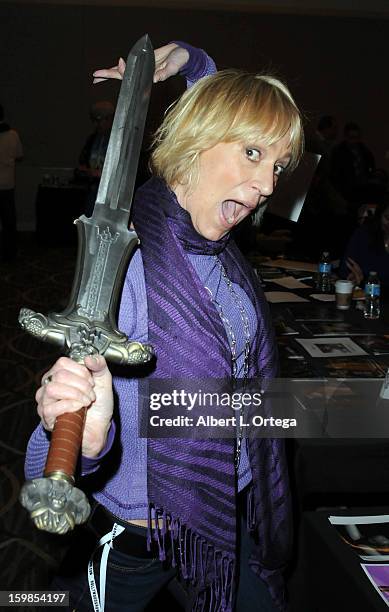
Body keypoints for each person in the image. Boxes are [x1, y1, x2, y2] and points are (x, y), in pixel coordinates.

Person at [24, 41, 304, 611]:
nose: (270, 184)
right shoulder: (132, 266)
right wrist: (88, 443)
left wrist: (193, 63)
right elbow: (50, 451)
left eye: (277, 165)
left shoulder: (219, 253)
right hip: (139, 527)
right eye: (253, 154)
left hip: (221, 511)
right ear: (196, 143)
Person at [76, 100, 115, 216]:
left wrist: (100, 173)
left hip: (109, 193)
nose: (96, 125)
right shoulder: (92, 139)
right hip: (91, 189)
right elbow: (82, 162)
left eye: (99, 120)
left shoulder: (116, 141)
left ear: (109, 119)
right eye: (94, 121)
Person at [340, 200, 389, 288]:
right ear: (380, 215)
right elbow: (345, 269)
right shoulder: (364, 235)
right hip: (362, 296)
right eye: (387, 218)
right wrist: (352, 277)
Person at [0, 103, 23, 262]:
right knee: (9, 220)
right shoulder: (12, 135)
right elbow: (19, 154)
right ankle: (10, 253)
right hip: (6, 183)